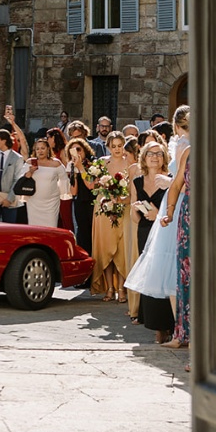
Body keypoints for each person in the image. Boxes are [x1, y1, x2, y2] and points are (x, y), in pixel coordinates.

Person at [129, 142, 175, 340]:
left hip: (166, 229)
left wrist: (156, 215)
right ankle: (156, 326)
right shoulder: (137, 181)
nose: (154, 157)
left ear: (165, 157)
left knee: (164, 275)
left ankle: (169, 326)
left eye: (159, 153)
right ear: (144, 157)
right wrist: (138, 210)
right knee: (150, 275)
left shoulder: (171, 180)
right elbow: (133, 214)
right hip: (145, 230)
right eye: (150, 153)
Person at [87, 131, 136, 302]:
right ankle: (109, 288)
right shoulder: (101, 162)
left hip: (123, 208)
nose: (117, 149)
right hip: (103, 209)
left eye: (120, 146)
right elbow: (91, 186)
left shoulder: (130, 164)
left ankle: (122, 289)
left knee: (121, 249)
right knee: (106, 248)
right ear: (108, 146)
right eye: (113, 146)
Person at [159, 126, 191, 351]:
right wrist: (169, 212)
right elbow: (177, 184)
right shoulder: (189, 151)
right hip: (188, 219)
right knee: (186, 277)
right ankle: (184, 334)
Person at [13, 132, 71, 228]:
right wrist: (30, 172)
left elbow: (64, 179)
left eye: (43, 148)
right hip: (34, 201)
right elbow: (21, 178)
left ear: (48, 149)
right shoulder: (30, 162)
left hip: (51, 202)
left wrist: (64, 193)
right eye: (38, 149)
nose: (40, 151)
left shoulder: (56, 163)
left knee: (51, 227)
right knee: (35, 228)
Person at [0, 126, 26, 223]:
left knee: (9, 227)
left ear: (4, 141)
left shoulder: (17, 158)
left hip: (9, 196)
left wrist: (9, 198)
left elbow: (17, 180)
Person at [66, 137, 96, 255]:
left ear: (85, 150)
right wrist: (74, 171)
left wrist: (81, 168)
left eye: (79, 149)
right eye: (73, 151)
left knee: (93, 234)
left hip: (93, 202)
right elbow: (73, 192)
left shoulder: (93, 163)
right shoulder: (73, 166)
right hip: (80, 203)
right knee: (82, 234)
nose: (77, 153)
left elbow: (91, 185)